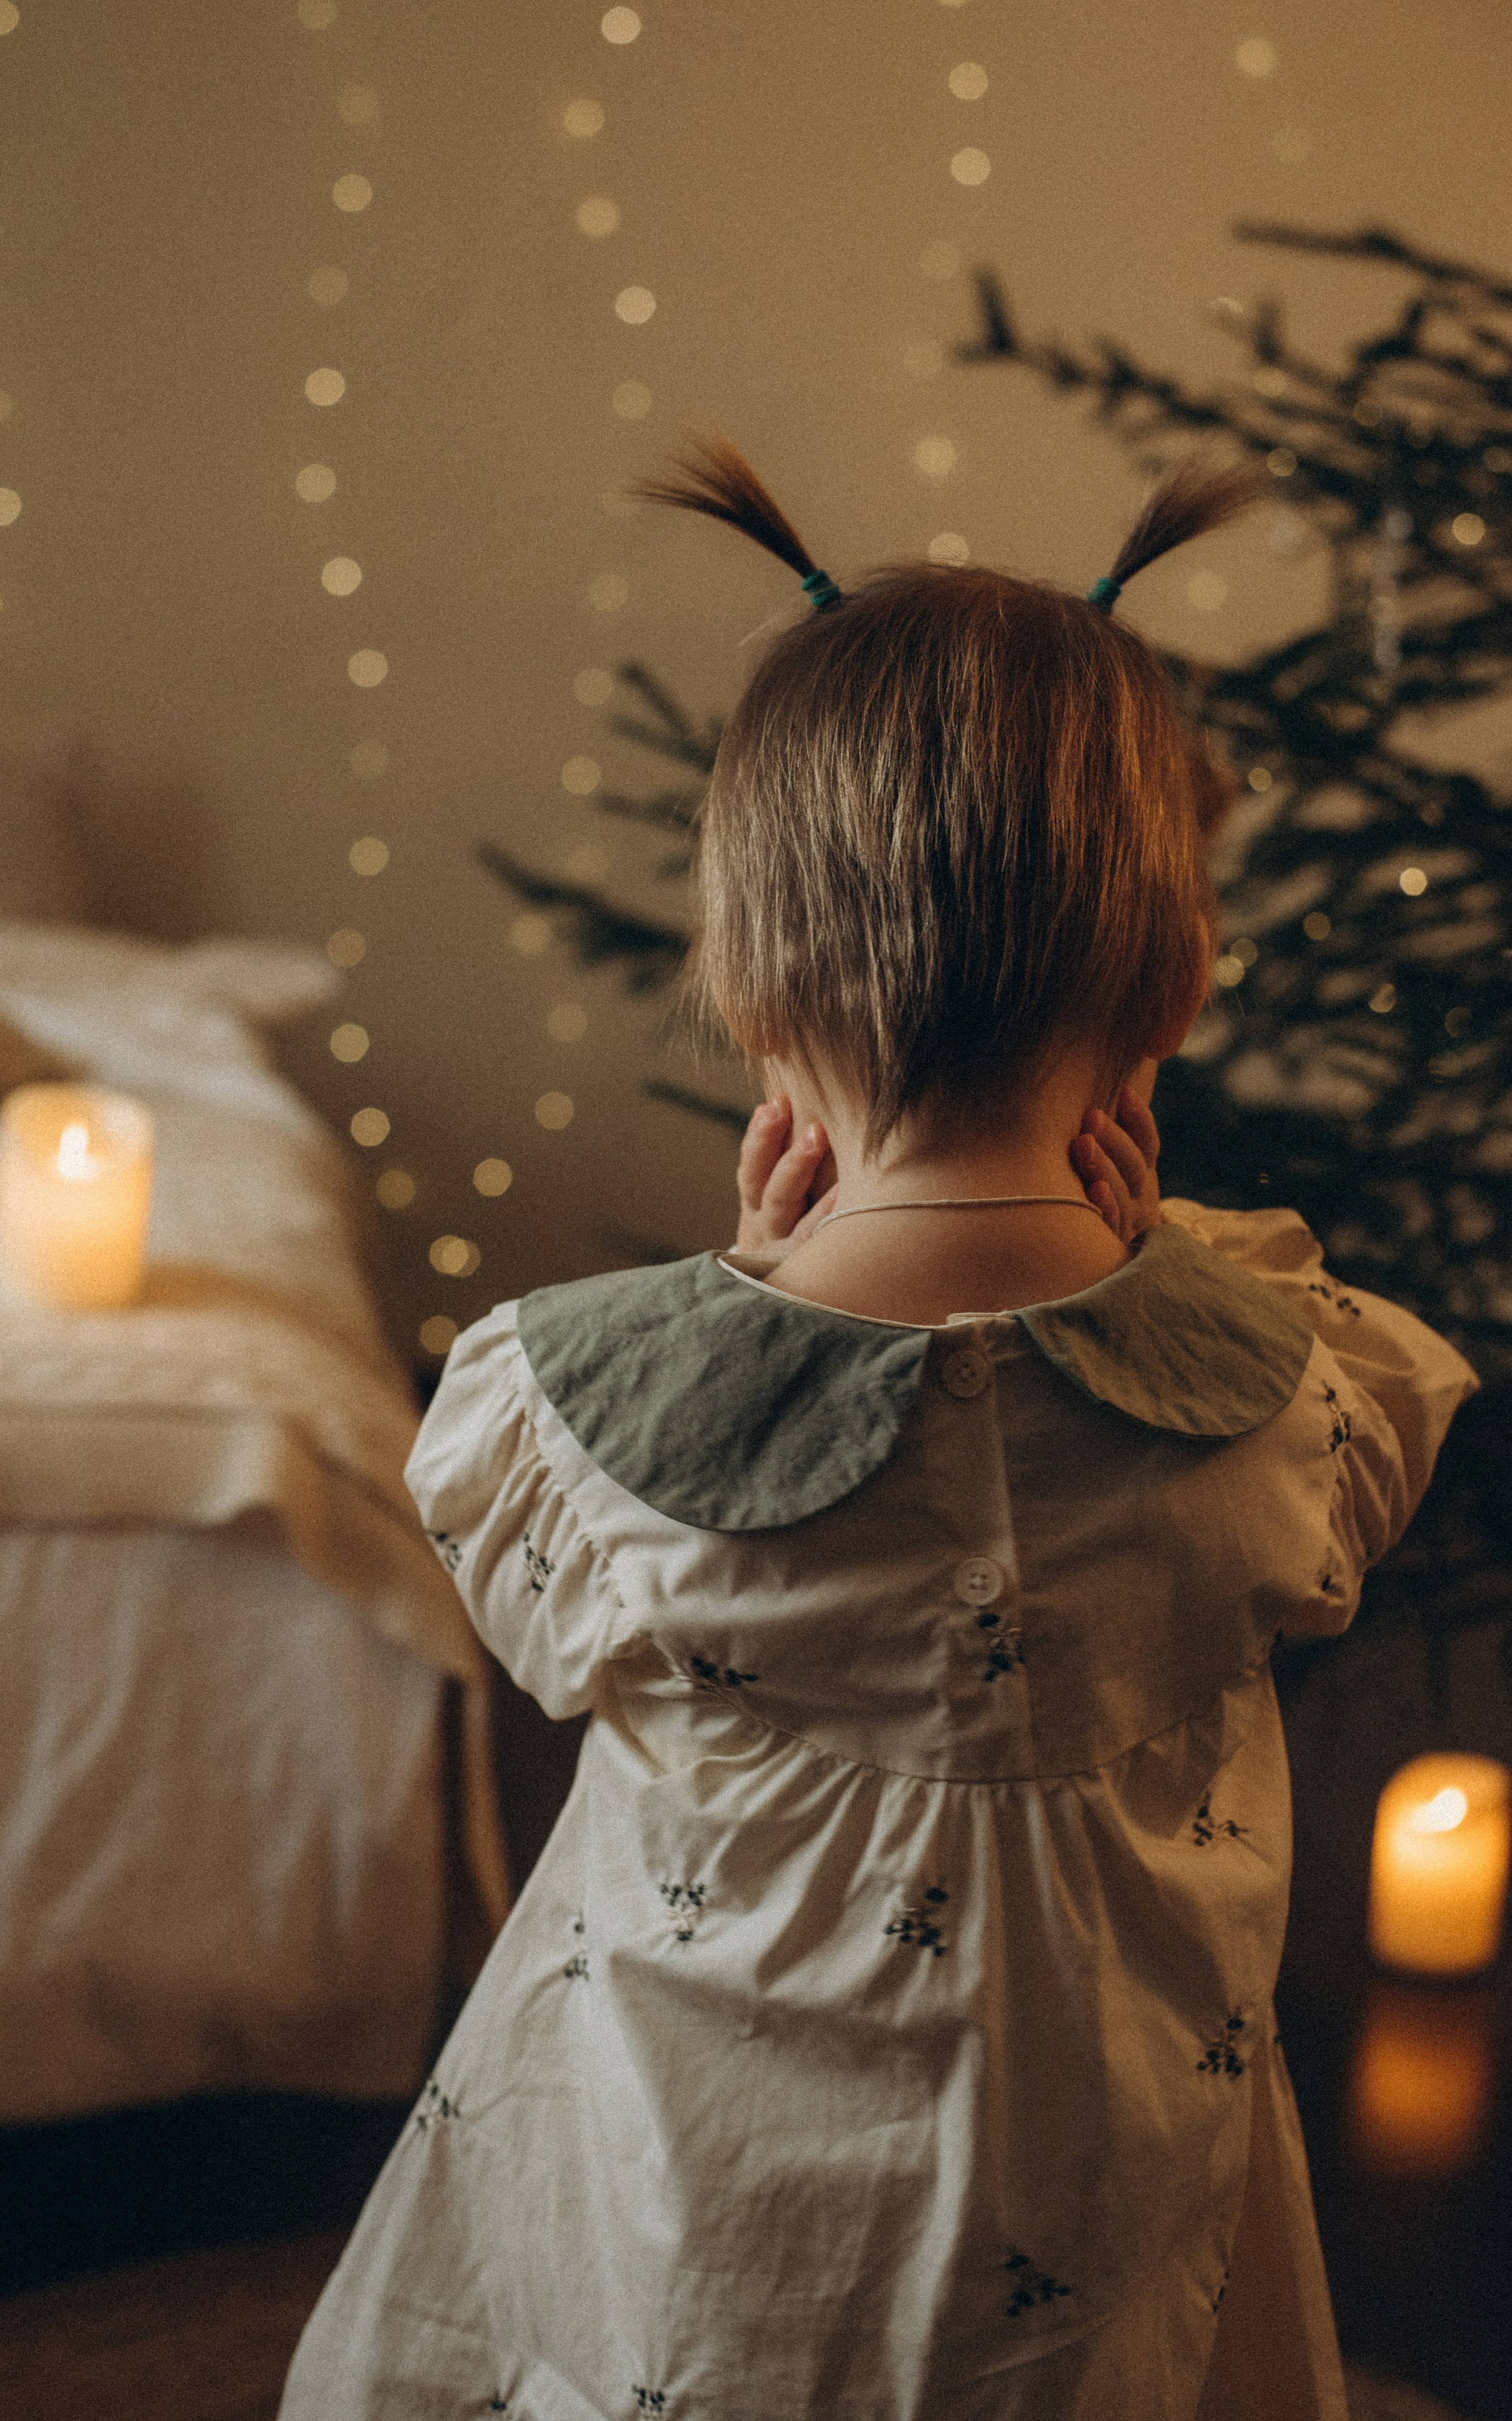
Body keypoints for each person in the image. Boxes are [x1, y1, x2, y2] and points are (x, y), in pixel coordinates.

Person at [280, 439, 1477, 2420]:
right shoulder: (1294, 1391)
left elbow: (559, 1628)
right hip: (1096, 2207)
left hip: (712, 2235)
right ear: (1167, 985)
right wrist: (1148, 1251)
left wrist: (745, 1288)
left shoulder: (564, 1414)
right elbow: (1328, 1515)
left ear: (755, 984)